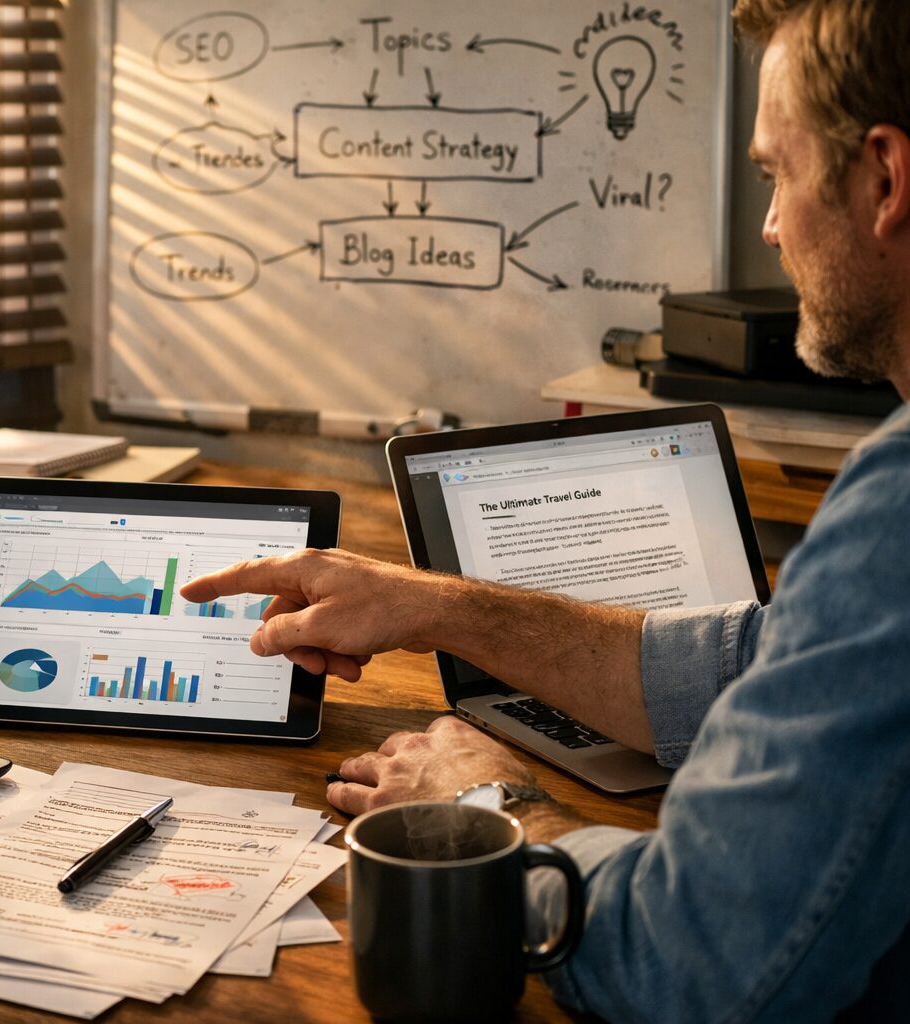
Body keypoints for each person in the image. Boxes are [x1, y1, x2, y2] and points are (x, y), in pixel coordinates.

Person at [182, 1, 910, 1019]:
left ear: (884, 178)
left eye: (775, 175)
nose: (772, 227)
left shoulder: (898, 507)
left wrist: (484, 810)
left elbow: (684, 960)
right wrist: (429, 603)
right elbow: (743, 659)